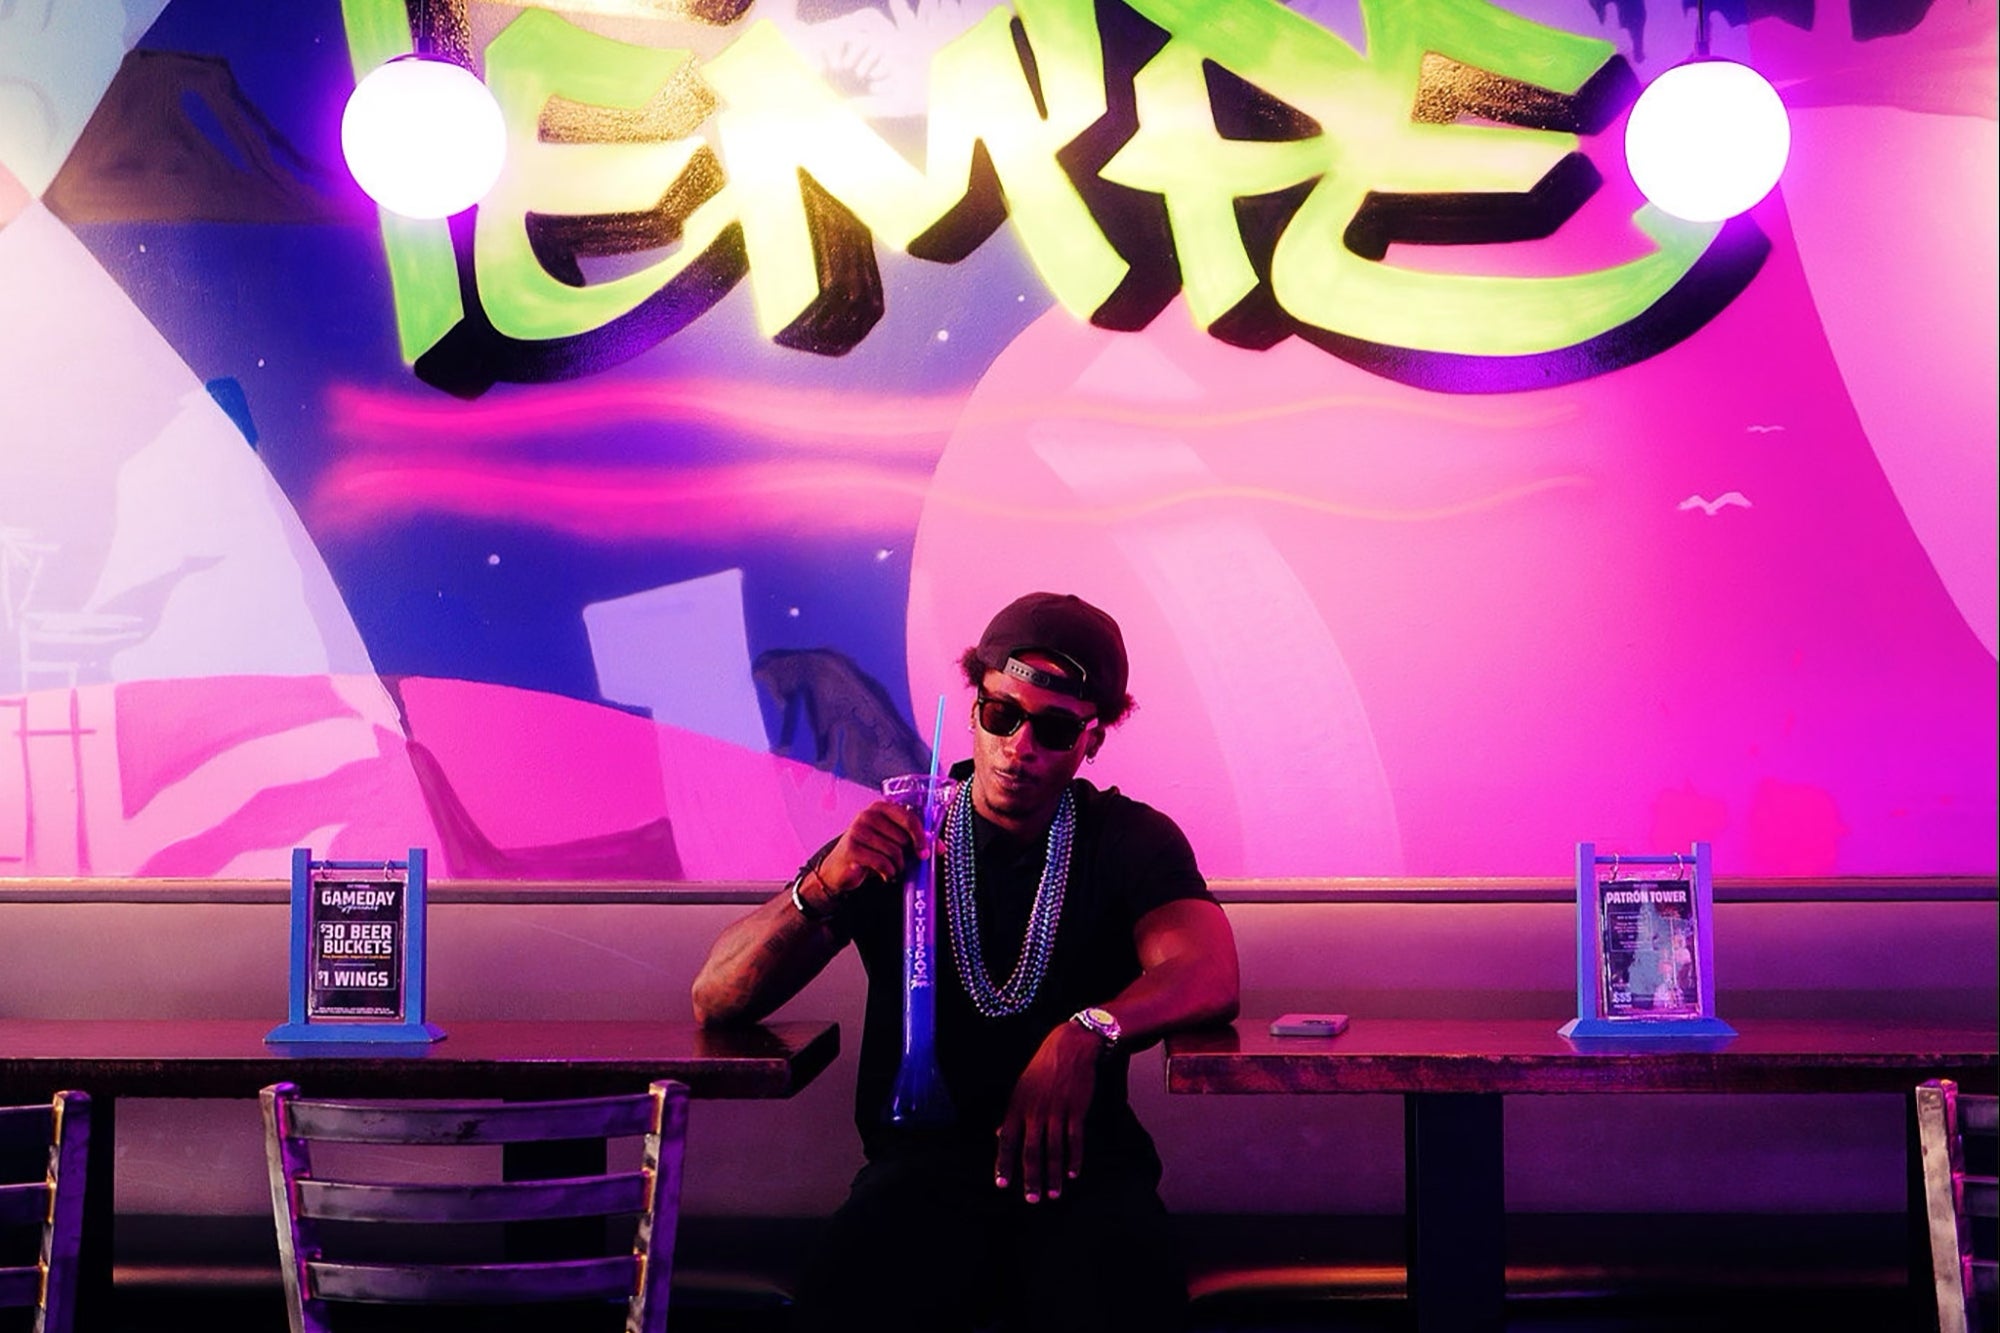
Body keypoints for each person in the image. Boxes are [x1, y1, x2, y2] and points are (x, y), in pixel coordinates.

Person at [692, 591, 1240, 1332]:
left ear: (1093, 739)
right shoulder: (900, 836)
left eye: (1053, 728)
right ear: (975, 705)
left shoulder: (1124, 838)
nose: (1020, 745)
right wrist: (823, 885)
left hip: (1082, 1177)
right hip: (918, 1178)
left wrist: (1086, 1031)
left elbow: (1208, 971)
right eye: (1001, 714)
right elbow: (717, 997)